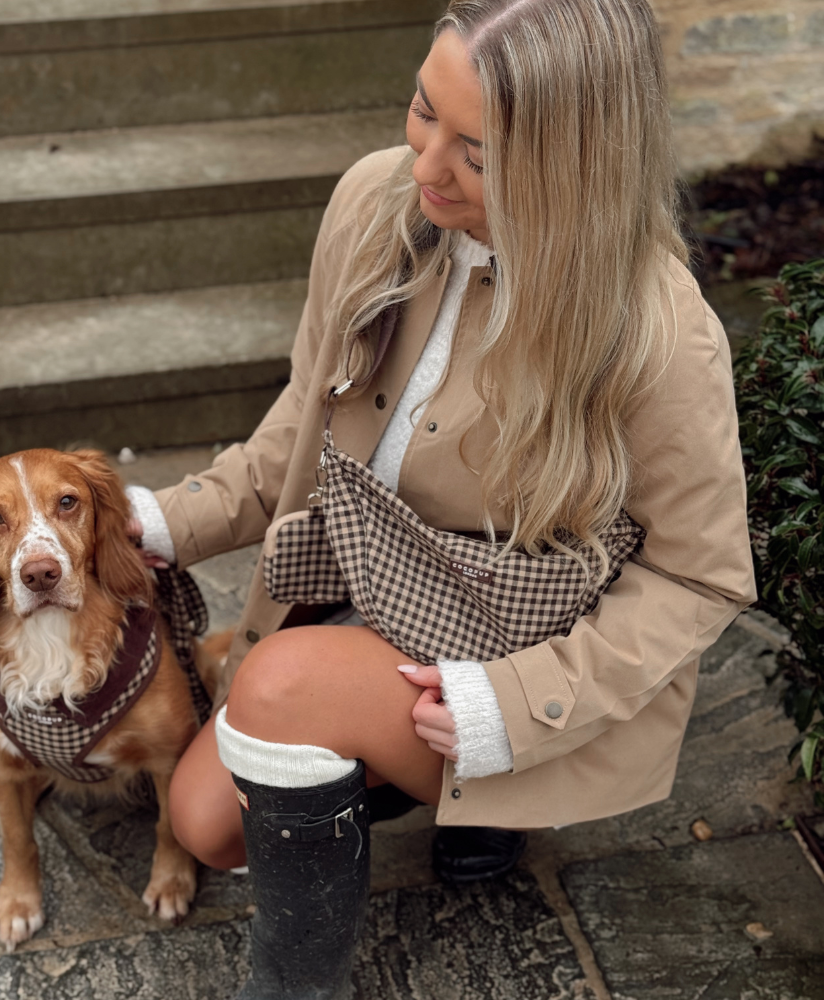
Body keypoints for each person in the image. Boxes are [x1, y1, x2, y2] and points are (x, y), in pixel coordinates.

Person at [125, 0, 756, 995]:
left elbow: (700, 576)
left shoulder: (659, 330)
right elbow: (305, 422)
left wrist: (514, 708)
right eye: (424, 110)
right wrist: (166, 520)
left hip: (518, 647)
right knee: (206, 826)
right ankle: (392, 767)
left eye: (479, 155)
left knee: (280, 687)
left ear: (574, 163)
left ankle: (304, 976)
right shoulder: (371, 203)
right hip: (380, 590)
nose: (425, 165)